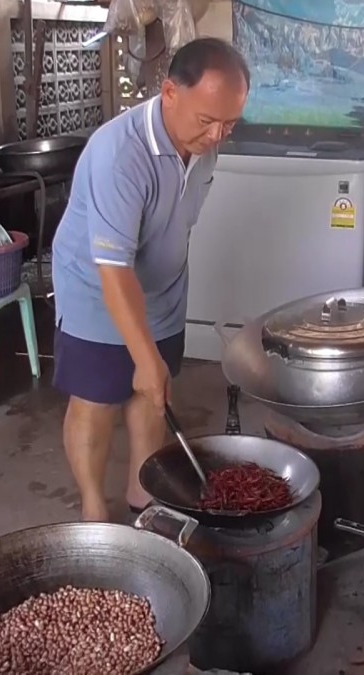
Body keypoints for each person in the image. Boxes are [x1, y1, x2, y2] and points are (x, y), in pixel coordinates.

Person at [50, 38, 249, 522]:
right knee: (96, 399)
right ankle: (94, 510)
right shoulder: (120, 154)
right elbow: (114, 268)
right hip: (98, 287)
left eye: (230, 123)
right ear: (169, 93)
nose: (219, 134)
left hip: (162, 289)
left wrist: (149, 358)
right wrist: (141, 354)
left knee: (153, 392)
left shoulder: (205, 143)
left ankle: (144, 496)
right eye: (207, 121)